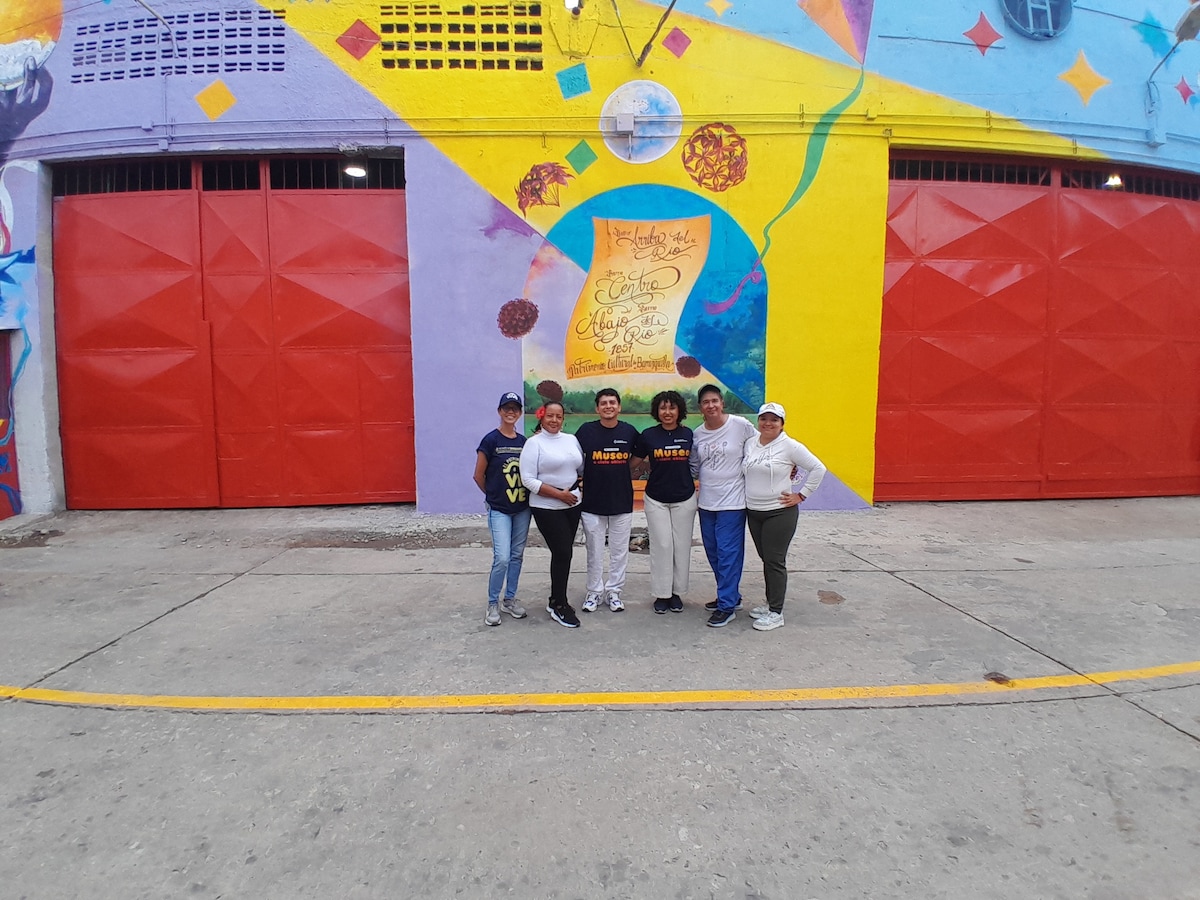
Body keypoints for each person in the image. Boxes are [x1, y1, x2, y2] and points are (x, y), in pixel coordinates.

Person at [742, 401, 827, 632]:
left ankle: (776, 613)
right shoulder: (750, 443)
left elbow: (818, 468)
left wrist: (801, 495)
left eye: (774, 420)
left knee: (775, 561)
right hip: (754, 511)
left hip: (779, 513)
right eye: (764, 418)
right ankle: (770, 602)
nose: (768, 423)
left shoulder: (790, 446)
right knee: (766, 559)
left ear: (782, 424)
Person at [690, 384, 757, 628]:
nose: (711, 406)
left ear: (722, 403)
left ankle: (726, 606)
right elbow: (694, 467)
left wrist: (785, 465)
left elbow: (762, 447)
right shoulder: (697, 435)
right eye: (706, 402)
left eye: (714, 401)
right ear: (700, 407)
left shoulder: (740, 426)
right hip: (707, 503)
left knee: (729, 553)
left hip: (733, 503)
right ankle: (730, 595)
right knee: (714, 552)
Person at [519, 400, 585, 628]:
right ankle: (559, 604)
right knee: (562, 552)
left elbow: (580, 468)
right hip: (547, 507)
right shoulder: (534, 444)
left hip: (572, 505)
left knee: (565, 553)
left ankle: (555, 599)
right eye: (550, 416)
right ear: (542, 416)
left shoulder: (571, 440)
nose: (554, 420)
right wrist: (559, 495)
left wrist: (576, 489)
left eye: (558, 416)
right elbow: (528, 480)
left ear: (563, 419)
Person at [574, 388, 639, 613]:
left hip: (622, 501)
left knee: (619, 551)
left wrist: (621, 469)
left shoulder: (629, 431)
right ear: (597, 408)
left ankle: (614, 591)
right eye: (604, 403)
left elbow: (637, 458)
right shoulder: (586, 431)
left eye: (612, 402)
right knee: (594, 551)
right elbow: (574, 458)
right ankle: (594, 592)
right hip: (592, 503)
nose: (608, 406)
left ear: (619, 407)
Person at [635, 390, 696, 613]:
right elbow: (633, 463)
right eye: (663, 408)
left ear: (679, 410)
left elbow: (697, 463)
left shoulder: (689, 434)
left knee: (681, 546)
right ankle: (662, 594)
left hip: (685, 498)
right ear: (657, 411)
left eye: (672, 407)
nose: (667, 412)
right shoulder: (648, 435)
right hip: (656, 499)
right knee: (662, 545)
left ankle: (677, 593)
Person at [473, 392, 531, 626]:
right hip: (499, 509)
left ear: (520, 413)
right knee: (502, 558)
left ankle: (510, 599)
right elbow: (478, 475)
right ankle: (492, 603)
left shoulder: (524, 442)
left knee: (516, 555)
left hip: (522, 508)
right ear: (499, 411)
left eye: (515, 408)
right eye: (506, 408)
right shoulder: (490, 440)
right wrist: (492, 495)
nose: (511, 412)